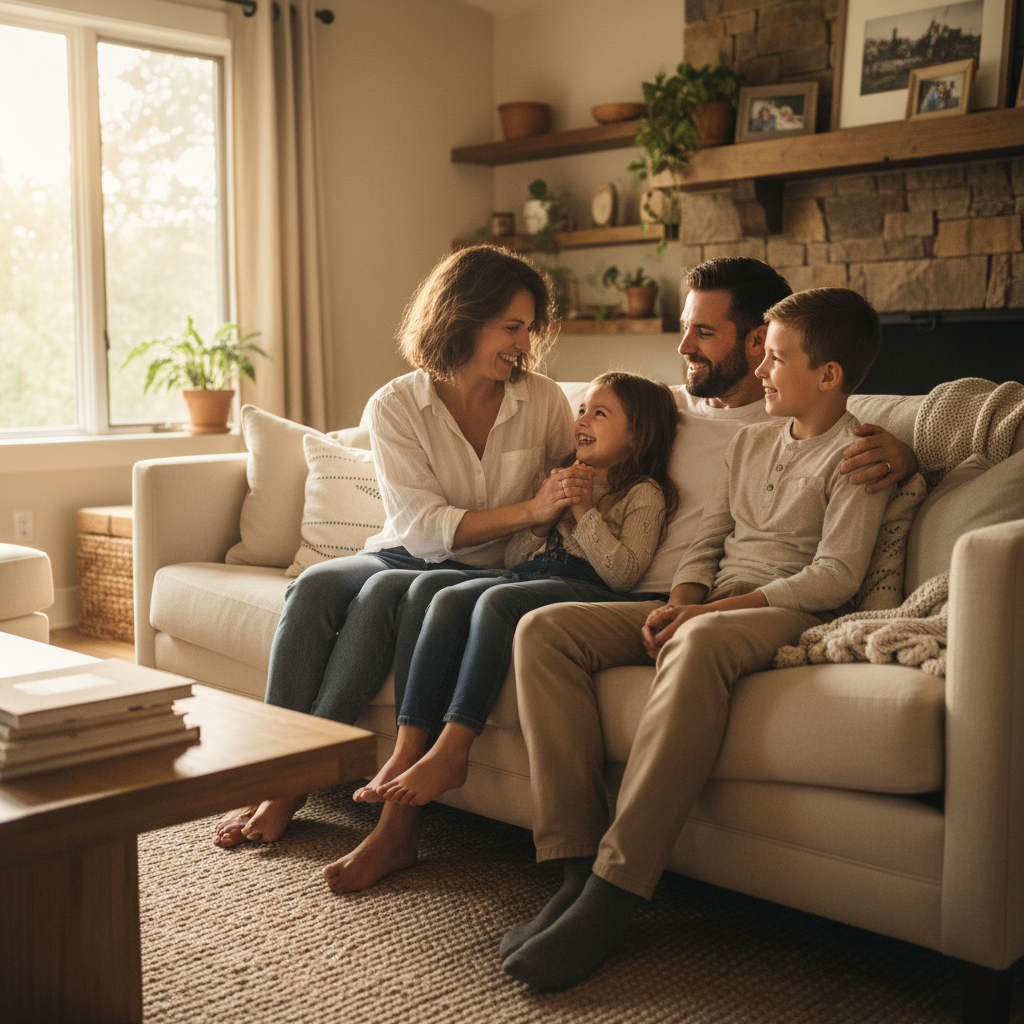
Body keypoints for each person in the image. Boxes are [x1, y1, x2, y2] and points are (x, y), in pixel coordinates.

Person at [500, 268, 917, 991]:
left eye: (777, 357)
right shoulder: (752, 442)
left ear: (830, 375)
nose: (761, 367)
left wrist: (708, 614)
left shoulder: (859, 456)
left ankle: (615, 892)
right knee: (545, 630)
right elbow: (709, 538)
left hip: (784, 613)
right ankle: (572, 865)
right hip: (712, 601)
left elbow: (835, 577)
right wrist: (683, 596)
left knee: (693, 640)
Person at [212, 244, 579, 870]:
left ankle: (294, 785)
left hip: (493, 568)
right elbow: (421, 526)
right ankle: (273, 769)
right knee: (318, 586)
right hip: (410, 550)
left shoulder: (542, 401)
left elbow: (566, 495)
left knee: (385, 596)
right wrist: (528, 510)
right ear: (463, 319)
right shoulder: (396, 405)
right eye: (511, 327)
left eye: (528, 329)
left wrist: (545, 516)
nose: (524, 343)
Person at [355, 372, 680, 813]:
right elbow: (517, 556)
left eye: (600, 414)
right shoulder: (565, 477)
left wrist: (583, 511)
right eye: (582, 409)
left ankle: (454, 749)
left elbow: (621, 574)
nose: (582, 420)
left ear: (637, 434)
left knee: (495, 601)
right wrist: (543, 518)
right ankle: (407, 745)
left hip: (584, 590)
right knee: (438, 592)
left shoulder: (643, 494)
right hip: (530, 576)